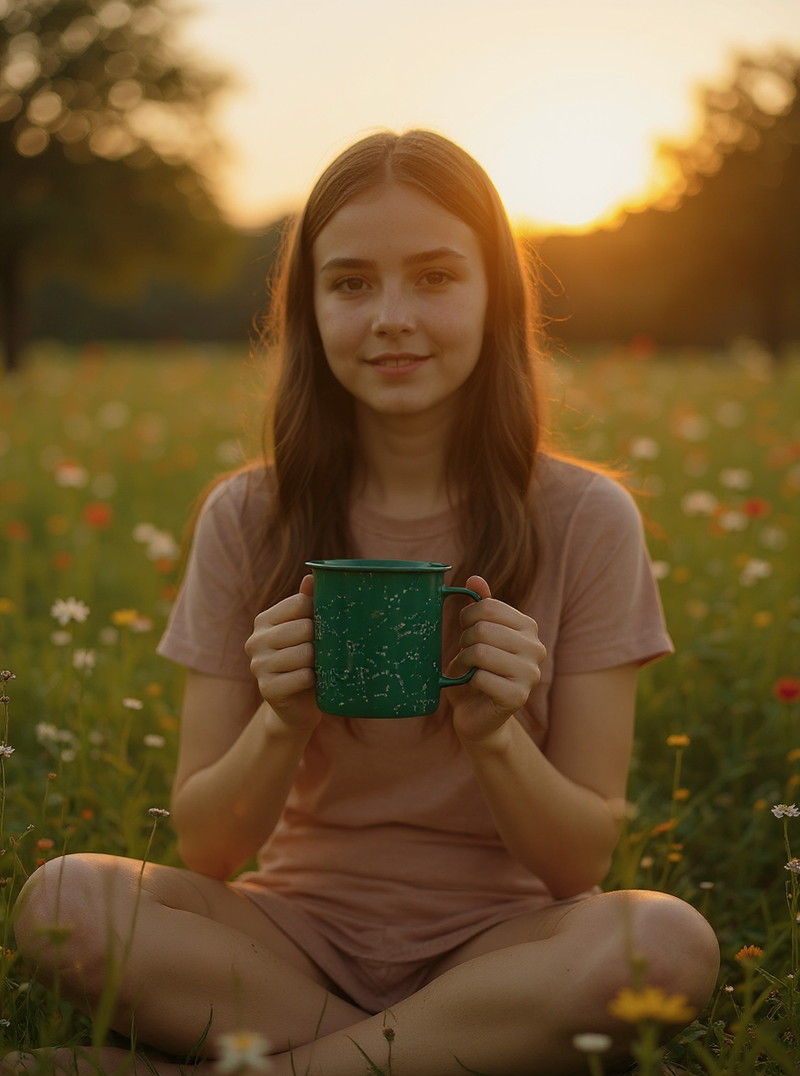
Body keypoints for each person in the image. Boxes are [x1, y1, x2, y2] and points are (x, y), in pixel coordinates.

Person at [13, 129, 719, 1076]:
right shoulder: (247, 516)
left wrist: (494, 732)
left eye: (434, 277)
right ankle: (436, 1056)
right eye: (350, 283)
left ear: (494, 299)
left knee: (668, 946)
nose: (391, 316)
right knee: (60, 905)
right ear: (308, 308)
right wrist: (280, 719)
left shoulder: (589, 519)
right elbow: (207, 847)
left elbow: (576, 867)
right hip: (284, 941)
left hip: (501, 948)